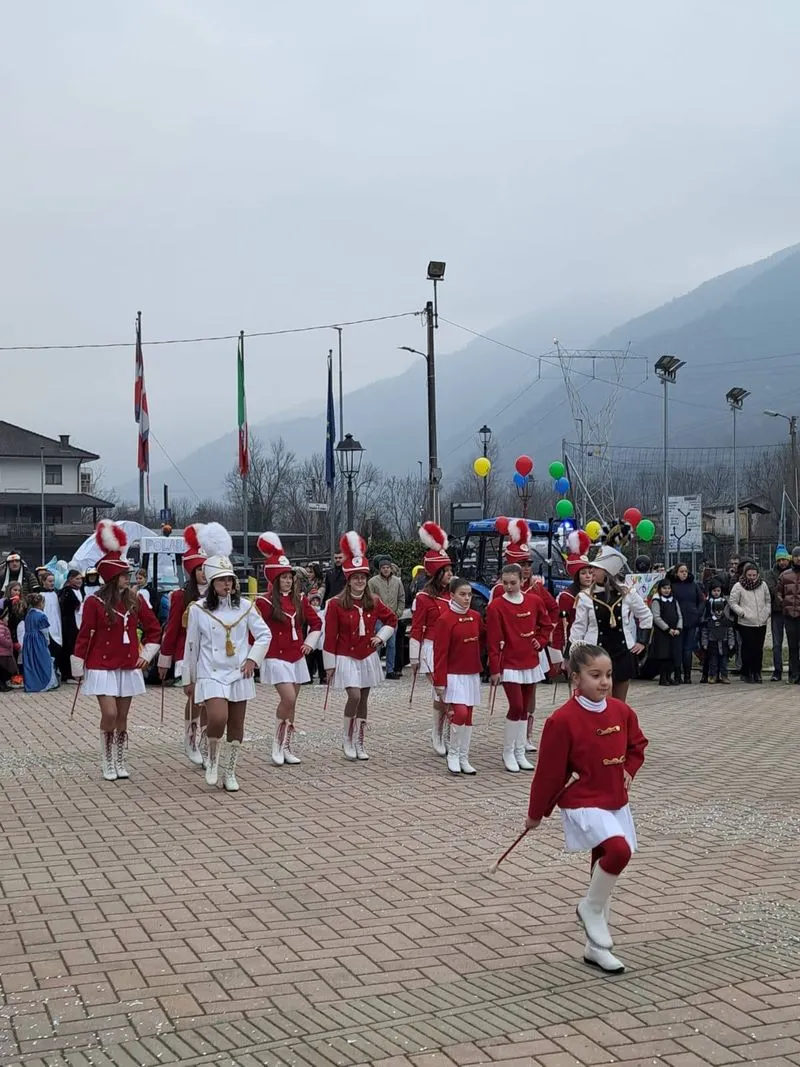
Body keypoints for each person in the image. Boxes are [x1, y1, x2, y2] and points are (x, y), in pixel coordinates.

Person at [525, 644, 648, 974]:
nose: (604, 682)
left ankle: (596, 948)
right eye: (595, 675)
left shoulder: (621, 712)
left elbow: (637, 745)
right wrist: (536, 812)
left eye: (608, 675)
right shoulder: (562, 720)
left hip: (614, 798)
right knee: (619, 851)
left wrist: (629, 769)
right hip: (583, 800)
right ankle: (590, 908)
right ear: (575, 678)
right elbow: (549, 773)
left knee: (603, 864)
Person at [183, 523, 271, 791]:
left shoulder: (245, 606)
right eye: (222, 580)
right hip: (210, 672)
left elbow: (264, 634)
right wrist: (189, 678)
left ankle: (230, 771)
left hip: (239, 672)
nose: (227, 584)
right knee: (217, 718)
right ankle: (212, 759)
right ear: (212, 583)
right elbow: (191, 646)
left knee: (236, 724)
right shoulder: (198, 609)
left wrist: (253, 659)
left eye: (230, 579)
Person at [71, 521, 161, 781]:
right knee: (109, 713)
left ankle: (120, 760)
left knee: (122, 717)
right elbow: (84, 635)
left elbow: (154, 629)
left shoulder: (135, 599)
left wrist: (146, 655)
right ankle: (107, 761)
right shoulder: (93, 602)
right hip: (101, 666)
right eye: (123, 574)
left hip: (128, 664)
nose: (128, 578)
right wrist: (78, 665)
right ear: (111, 576)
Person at [323, 532, 397, 761]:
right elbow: (330, 635)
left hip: (367, 655)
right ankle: (347, 738)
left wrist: (381, 637)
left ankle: (360, 740)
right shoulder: (335, 604)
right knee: (354, 696)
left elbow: (392, 620)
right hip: (346, 656)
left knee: (364, 699)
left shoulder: (373, 601)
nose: (360, 581)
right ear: (348, 579)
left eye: (363, 577)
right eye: (355, 578)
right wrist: (329, 665)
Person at [254, 531, 322, 766]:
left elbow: (316, 623)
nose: (288, 581)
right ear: (274, 579)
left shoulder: (299, 600)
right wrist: (253, 657)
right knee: (288, 697)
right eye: (283, 577)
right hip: (275, 657)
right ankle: (276, 743)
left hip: (296, 656)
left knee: (293, 702)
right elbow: (254, 631)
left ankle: (286, 746)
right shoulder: (263, 602)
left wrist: (309, 643)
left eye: (290, 577)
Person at [491, 518, 558, 753]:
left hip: (532, 650)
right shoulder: (499, 591)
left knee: (530, 696)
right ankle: (514, 744)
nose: (527, 568)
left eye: (528, 563)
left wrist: (541, 637)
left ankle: (526, 737)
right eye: (522, 563)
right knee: (516, 701)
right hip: (511, 653)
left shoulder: (537, 589)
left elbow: (552, 611)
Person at [486, 563, 551, 772]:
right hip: (510, 663)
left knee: (524, 708)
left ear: (522, 581)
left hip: (530, 660)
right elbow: (493, 640)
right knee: (516, 706)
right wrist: (494, 669)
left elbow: (546, 624)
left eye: (513, 583)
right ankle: (508, 752)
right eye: (505, 583)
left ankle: (520, 751)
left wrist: (540, 641)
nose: (508, 587)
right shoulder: (496, 606)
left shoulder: (534, 600)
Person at [570, 546, 652, 703]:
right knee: (602, 702)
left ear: (607, 571)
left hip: (622, 653)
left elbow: (646, 615)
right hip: (595, 654)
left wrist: (642, 641)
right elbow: (579, 627)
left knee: (620, 704)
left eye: (596, 568)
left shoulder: (627, 592)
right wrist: (571, 655)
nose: (591, 571)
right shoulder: (585, 596)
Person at [158, 524, 208, 767]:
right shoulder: (180, 596)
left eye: (206, 568)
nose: (204, 574)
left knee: (211, 698)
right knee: (196, 696)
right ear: (191, 571)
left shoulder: (219, 594)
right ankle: (190, 737)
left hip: (211, 654)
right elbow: (172, 629)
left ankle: (208, 740)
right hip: (187, 653)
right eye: (199, 569)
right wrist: (164, 659)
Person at [409, 522, 453, 757]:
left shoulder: (454, 594)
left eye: (450, 570)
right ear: (436, 573)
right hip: (431, 649)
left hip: (452, 649)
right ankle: (437, 733)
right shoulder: (423, 597)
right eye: (446, 571)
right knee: (441, 691)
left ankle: (446, 732)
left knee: (451, 692)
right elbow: (416, 628)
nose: (450, 575)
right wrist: (414, 658)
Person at [431, 577, 483, 776]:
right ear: (451, 595)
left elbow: (484, 639)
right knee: (459, 713)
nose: (467, 598)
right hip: (453, 675)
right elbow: (440, 653)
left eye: (469, 595)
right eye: (462, 594)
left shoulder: (476, 617)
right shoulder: (445, 620)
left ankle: (464, 757)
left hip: (471, 674)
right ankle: (453, 754)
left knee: (468, 716)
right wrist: (439, 681)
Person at [728, 561, 772, 683]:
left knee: (758, 649)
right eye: (749, 575)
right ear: (745, 574)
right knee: (747, 648)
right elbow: (732, 602)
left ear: (758, 575)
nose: (752, 577)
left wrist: (767, 613)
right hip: (746, 622)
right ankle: (746, 672)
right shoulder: (738, 586)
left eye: (754, 575)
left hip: (761, 622)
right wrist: (742, 613)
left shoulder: (763, 585)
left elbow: (768, 600)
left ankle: (757, 672)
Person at [552, 553, 594, 666]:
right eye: (583, 573)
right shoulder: (567, 597)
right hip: (574, 642)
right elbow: (561, 625)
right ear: (576, 576)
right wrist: (557, 652)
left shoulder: (597, 593)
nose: (588, 576)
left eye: (590, 573)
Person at [368, 557, 406, 679]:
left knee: (392, 644)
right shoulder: (372, 582)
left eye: (387, 567)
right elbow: (369, 598)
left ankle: (390, 670)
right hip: (378, 618)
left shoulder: (397, 582)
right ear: (380, 569)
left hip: (392, 617)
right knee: (377, 643)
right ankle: (374, 669)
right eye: (383, 568)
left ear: (391, 568)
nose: (385, 570)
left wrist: (398, 612)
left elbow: (401, 597)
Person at [668, 563, 703, 683]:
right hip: (677, 622)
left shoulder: (693, 585)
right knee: (678, 649)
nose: (684, 573)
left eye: (686, 571)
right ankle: (678, 675)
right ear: (676, 573)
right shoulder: (672, 586)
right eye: (681, 571)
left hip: (691, 621)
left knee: (688, 649)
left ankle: (688, 676)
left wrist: (697, 612)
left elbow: (701, 600)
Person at [20, 593, 59, 692]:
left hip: (28, 641)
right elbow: (44, 631)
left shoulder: (28, 615)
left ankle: (32, 683)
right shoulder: (41, 615)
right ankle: (46, 683)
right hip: (38, 640)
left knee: (31, 662)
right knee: (43, 660)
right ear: (41, 603)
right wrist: (47, 641)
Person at [765, 545, 792, 681]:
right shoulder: (771, 574)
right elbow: (772, 590)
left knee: (793, 643)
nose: (782, 562)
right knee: (777, 643)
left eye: (784, 559)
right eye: (779, 560)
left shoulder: (794, 571)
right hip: (777, 612)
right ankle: (777, 670)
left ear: (788, 559)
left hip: (792, 612)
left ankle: (794, 670)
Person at [700, 579, 734, 684]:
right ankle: (709, 675)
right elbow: (703, 615)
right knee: (710, 659)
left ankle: (723, 675)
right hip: (710, 629)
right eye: (714, 590)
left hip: (722, 630)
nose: (716, 593)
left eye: (718, 591)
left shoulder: (724, 601)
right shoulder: (707, 601)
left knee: (723, 659)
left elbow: (728, 617)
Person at [650, 577, 683, 686]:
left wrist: (678, 628)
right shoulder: (657, 600)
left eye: (668, 588)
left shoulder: (674, 600)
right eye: (664, 588)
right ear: (660, 589)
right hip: (662, 632)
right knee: (664, 655)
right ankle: (663, 678)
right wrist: (667, 629)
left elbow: (679, 616)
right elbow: (656, 617)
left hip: (674, 632)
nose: (667, 590)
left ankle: (669, 677)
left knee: (672, 655)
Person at [775, 545, 800, 684]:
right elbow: (778, 593)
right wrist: (783, 603)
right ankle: (793, 674)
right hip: (790, 616)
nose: (798, 558)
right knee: (792, 646)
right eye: (796, 556)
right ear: (792, 558)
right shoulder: (785, 575)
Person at [58, 570, 85, 683]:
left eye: (80, 579)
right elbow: (67, 606)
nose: (79, 581)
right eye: (77, 579)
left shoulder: (81, 590)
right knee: (69, 648)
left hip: (80, 622)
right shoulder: (66, 591)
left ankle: (77, 672)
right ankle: (68, 674)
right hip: (70, 623)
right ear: (70, 579)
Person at [40, 571, 63, 673]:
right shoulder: (41, 595)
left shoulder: (55, 594)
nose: (52, 583)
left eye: (53, 581)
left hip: (57, 624)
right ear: (43, 581)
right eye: (49, 581)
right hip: (48, 626)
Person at [305, 592, 326, 683]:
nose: (315, 602)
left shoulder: (322, 613)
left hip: (321, 639)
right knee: (310, 659)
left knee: (321, 660)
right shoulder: (308, 612)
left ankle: (323, 677)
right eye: (313, 600)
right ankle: (308, 677)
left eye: (317, 600)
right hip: (310, 639)